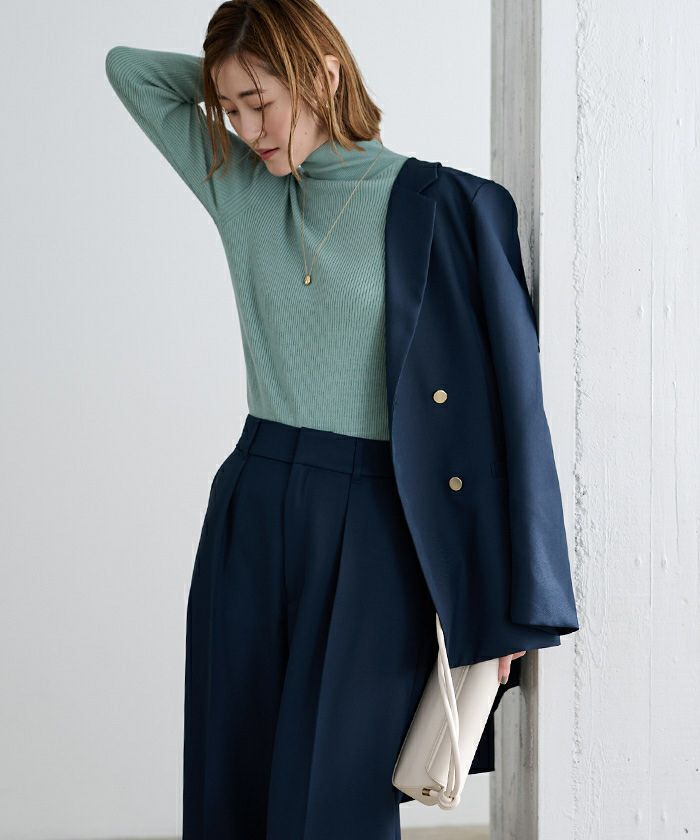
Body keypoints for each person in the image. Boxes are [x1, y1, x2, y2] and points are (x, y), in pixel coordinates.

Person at [105, 0, 528, 836]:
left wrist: (499, 596)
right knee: (231, 780)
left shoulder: (438, 203)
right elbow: (128, 69)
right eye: (229, 108)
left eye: (261, 103)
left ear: (323, 75)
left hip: (378, 518)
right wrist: (234, 71)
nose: (246, 129)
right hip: (253, 500)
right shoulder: (240, 186)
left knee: (336, 799)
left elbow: (500, 412)